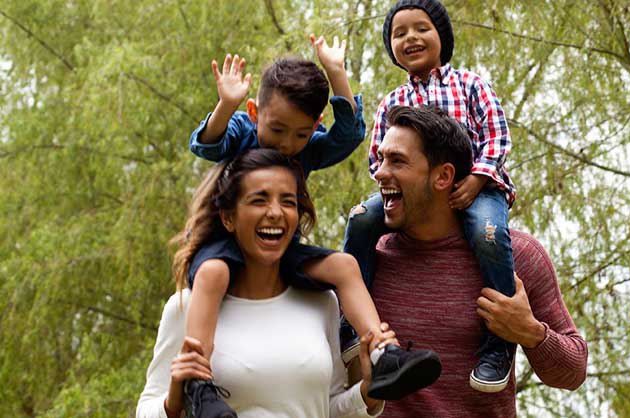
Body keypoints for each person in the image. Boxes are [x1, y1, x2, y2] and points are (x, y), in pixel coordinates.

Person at [183, 38, 439, 416]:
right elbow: (206, 145)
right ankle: (199, 386)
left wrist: (337, 74)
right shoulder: (243, 131)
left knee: (345, 266)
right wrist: (226, 105)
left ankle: (384, 353)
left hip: (280, 251)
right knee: (214, 273)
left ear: (314, 126)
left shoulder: (306, 149)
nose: (288, 144)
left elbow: (349, 136)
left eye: (301, 134)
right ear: (255, 112)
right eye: (278, 130)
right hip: (222, 245)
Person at [137, 149, 397, 418]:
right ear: (228, 218)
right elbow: (145, 410)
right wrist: (173, 400)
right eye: (259, 200)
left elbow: (328, 407)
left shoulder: (322, 302)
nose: (275, 212)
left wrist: (368, 391)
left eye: (288, 202)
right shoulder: (187, 306)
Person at [365, 106, 588, 418]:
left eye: (397, 161)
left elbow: (573, 372)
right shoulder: (366, 259)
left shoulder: (517, 256)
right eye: (382, 158)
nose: (379, 172)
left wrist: (530, 332)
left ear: (443, 176)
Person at [344, 0, 518, 393]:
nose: (410, 38)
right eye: (399, 33)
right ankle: (351, 320)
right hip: (410, 192)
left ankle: (498, 342)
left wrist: (476, 178)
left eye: (421, 29)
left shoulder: (470, 84)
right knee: (360, 218)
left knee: (489, 235)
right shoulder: (391, 102)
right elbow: (378, 159)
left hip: (478, 187)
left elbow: (497, 137)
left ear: (442, 36)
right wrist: (393, 185)